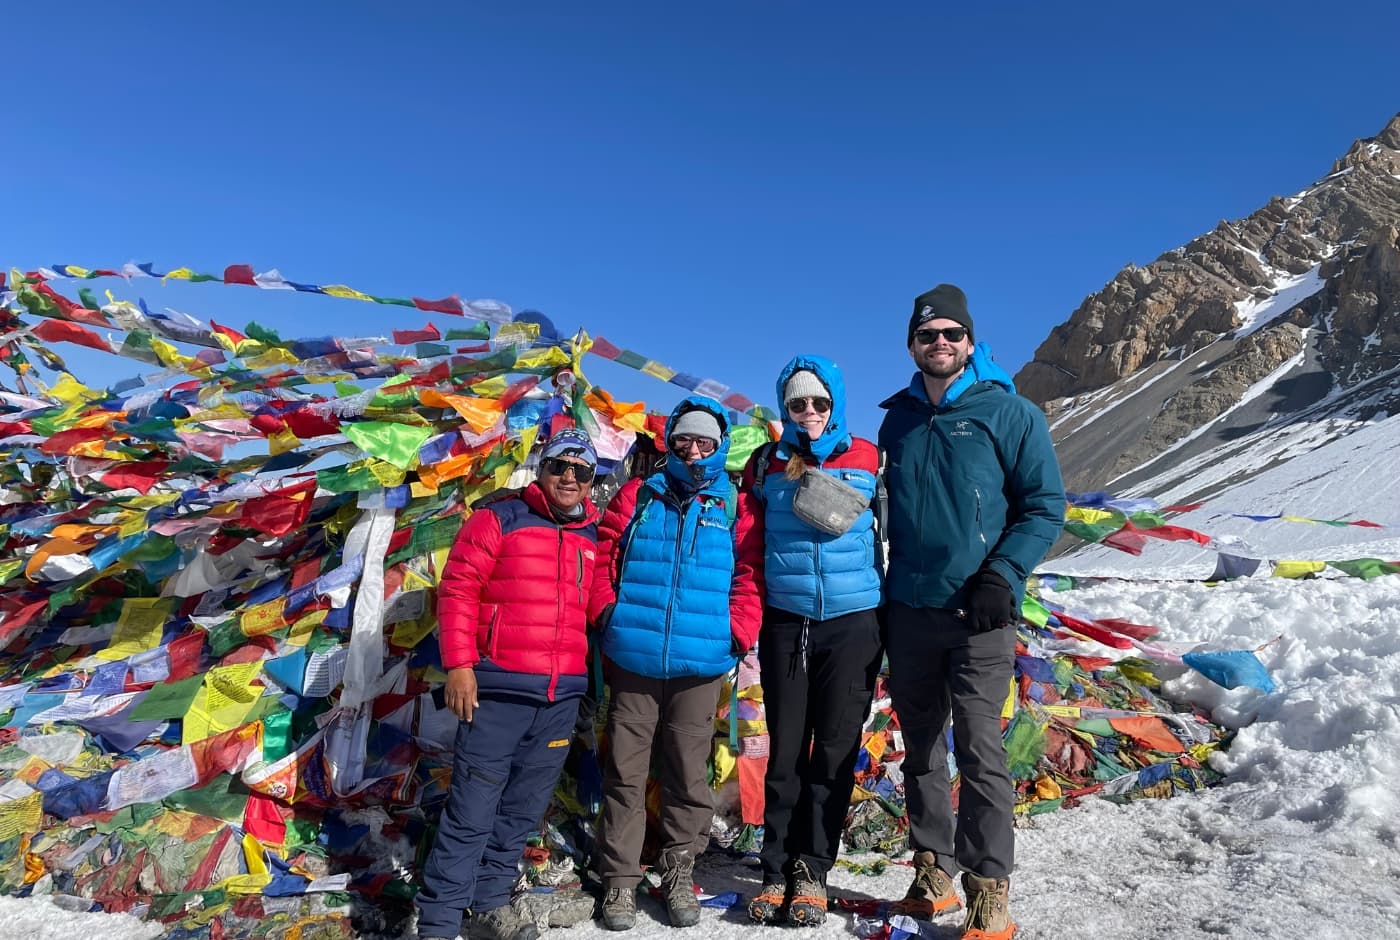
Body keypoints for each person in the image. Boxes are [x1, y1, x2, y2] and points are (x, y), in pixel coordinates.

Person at [877, 285, 1065, 940]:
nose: (940, 344)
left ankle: (990, 889)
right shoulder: (895, 420)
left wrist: (1004, 572)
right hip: (908, 609)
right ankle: (934, 870)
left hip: (979, 612)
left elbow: (1045, 506)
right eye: (928, 335)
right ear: (912, 345)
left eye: (951, 334)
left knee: (981, 746)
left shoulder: (1009, 414)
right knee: (920, 748)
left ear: (969, 341)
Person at [415, 428, 603, 940]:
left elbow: (599, 606)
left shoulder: (591, 536)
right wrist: (459, 665)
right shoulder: (497, 517)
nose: (570, 476)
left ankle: (491, 904)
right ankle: (438, 922)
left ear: (591, 481)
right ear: (541, 469)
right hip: (495, 692)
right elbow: (458, 589)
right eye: (560, 466)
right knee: (471, 813)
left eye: (581, 470)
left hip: (560, 698)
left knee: (521, 813)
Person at [590, 396, 764, 931]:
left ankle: (678, 870)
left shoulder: (736, 507)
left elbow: (750, 576)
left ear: (720, 446)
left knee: (689, 773)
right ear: (671, 443)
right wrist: (606, 614)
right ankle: (619, 882)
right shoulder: (638, 495)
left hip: (701, 663)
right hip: (634, 656)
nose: (693, 449)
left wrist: (735, 633)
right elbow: (603, 554)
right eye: (683, 439)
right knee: (625, 770)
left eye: (704, 440)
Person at [740, 356, 885, 927]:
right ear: (786, 409)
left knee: (834, 751)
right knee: (785, 748)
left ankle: (813, 869)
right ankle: (775, 868)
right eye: (798, 404)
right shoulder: (765, 463)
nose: (810, 413)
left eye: (819, 403)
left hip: (854, 623)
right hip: (786, 621)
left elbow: (893, 535)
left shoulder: (870, 458)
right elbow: (750, 545)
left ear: (836, 403)